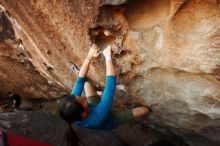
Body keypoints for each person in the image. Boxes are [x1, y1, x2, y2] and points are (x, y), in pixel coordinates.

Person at [59, 44, 149, 130]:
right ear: (83, 114)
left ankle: (86, 80)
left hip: (92, 106)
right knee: (144, 110)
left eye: (77, 96)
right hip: (110, 120)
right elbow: (109, 88)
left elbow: (79, 81)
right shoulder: (95, 119)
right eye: (83, 100)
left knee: (85, 83)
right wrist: (108, 58)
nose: (82, 97)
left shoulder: (72, 107)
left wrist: (89, 56)